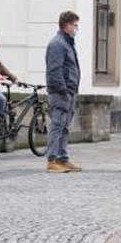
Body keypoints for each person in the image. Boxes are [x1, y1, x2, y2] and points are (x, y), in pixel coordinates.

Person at [45, 11, 83, 173]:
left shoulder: (67, 42)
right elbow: (55, 70)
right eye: (74, 25)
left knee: (64, 127)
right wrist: (63, 90)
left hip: (69, 90)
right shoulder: (58, 44)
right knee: (57, 125)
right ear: (66, 25)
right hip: (61, 92)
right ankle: (52, 159)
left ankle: (62, 157)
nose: (76, 28)